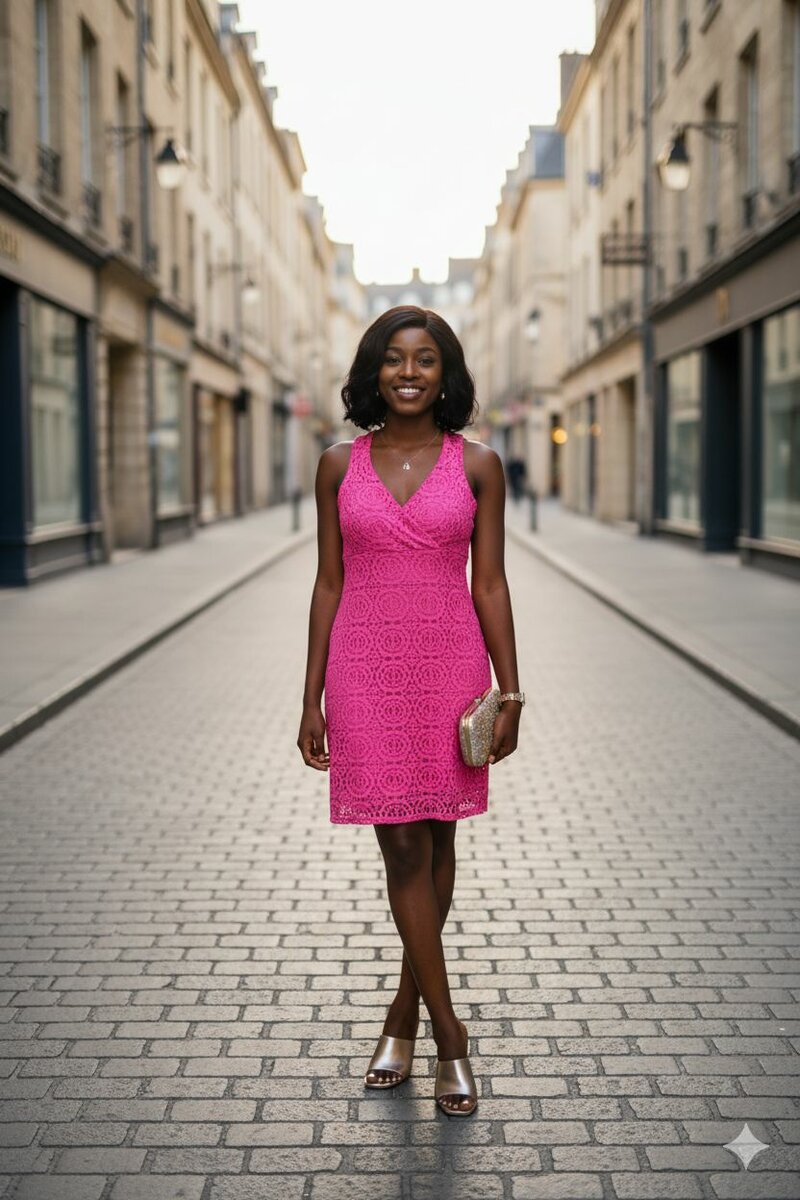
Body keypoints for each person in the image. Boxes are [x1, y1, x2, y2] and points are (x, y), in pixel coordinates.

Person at [297, 305, 524, 1118]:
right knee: (401, 845)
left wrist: (511, 691)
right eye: (394, 359)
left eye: (426, 360)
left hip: (450, 668)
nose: (408, 372)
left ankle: (401, 1016)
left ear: (445, 374)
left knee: (437, 838)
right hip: (363, 669)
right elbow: (328, 583)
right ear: (372, 370)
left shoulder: (478, 466)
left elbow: (489, 583)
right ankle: (451, 1037)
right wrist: (310, 696)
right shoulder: (335, 465)